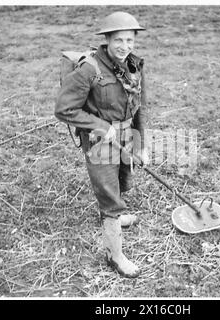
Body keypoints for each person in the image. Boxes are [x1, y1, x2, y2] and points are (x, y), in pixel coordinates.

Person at [55, 11, 149, 278]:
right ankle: (115, 256)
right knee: (109, 197)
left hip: (127, 136)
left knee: (122, 181)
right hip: (100, 143)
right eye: (118, 40)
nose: (125, 47)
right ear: (106, 40)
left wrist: (141, 144)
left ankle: (117, 218)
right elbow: (63, 109)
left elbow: (140, 107)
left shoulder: (135, 65)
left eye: (130, 40)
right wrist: (100, 126)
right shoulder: (90, 69)